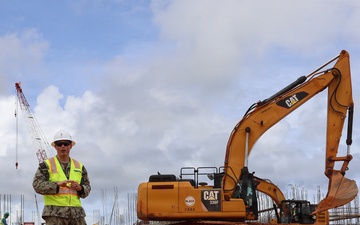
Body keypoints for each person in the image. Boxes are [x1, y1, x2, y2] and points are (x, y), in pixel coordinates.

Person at [33, 130, 91, 225]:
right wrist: (57, 185)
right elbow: (37, 185)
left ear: (70, 146)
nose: (62, 146)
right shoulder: (46, 165)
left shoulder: (79, 166)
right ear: (55, 146)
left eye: (65, 143)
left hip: (76, 215)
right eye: (59, 144)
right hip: (55, 215)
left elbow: (87, 187)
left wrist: (80, 188)